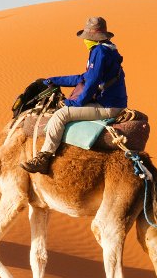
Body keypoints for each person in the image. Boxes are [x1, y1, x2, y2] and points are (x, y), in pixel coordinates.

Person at [20, 16, 128, 175]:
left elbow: (91, 83)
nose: (85, 41)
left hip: (108, 106)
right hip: (111, 102)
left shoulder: (99, 52)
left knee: (61, 115)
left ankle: (44, 158)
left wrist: (77, 103)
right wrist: (55, 80)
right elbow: (83, 78)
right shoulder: (107, 49)